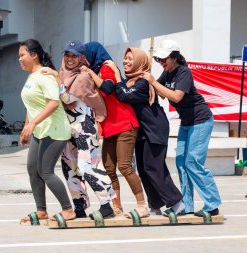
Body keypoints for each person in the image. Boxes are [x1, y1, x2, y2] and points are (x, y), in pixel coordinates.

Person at [142, 39, 221, 217]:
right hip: (186, 123)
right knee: (181, 164)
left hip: (200, 120)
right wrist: (145, 82)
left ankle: (213, 204)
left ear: (175, 57)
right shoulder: (167, 73)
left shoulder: (183, 72)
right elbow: (159, 93)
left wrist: (154, 82)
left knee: (193, 163)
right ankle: (186, 205)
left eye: (164, 59)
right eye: (158, 60)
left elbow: (176, 97)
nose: (161, 63)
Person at [41, 40, 115, 219]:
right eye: (67, 54)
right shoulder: (62, 74)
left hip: (84, 126)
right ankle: (79, 206)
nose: (70, 59)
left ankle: (107, 205)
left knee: (87, 165)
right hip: (68, 128)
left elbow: (67, 99)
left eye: (74, 55)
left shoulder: (82, 77)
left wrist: (57, 80)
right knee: (70, 167)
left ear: (82, 57)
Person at [110, 47, 184, 216]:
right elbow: (122, 89)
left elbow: (123, 95)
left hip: (155, 129)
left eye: (130, 59)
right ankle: (155, 207)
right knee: (144, 170)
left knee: (154, 168)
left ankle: (178, 203)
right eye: (125, 58)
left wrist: (115, 75)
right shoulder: (130, 81)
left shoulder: (143, 82)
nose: (126, 62)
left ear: (139, 62)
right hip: (142, 132)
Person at [82, 42, 149, 218]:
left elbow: (108, 88)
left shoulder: (106, 66)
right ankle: (116, 206)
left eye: (84, 55)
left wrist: (89, 73)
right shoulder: (96, 71)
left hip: (124, 123)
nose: (83, 59)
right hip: (110, 126)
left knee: (125, 166)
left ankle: (142, 206)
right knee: (109, 168)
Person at [18, 39, 75, 224]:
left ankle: (68, 210)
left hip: (55, 128)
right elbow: (32, 105)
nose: (19, 59)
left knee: (46, 171)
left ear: (34, 55)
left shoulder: (44, 76)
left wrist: (32, 123)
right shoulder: (31, 77)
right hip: (39, 129)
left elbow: (53, 102)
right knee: (32, 169)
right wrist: (26, 127)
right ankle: (41, 210)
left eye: (22, 55)